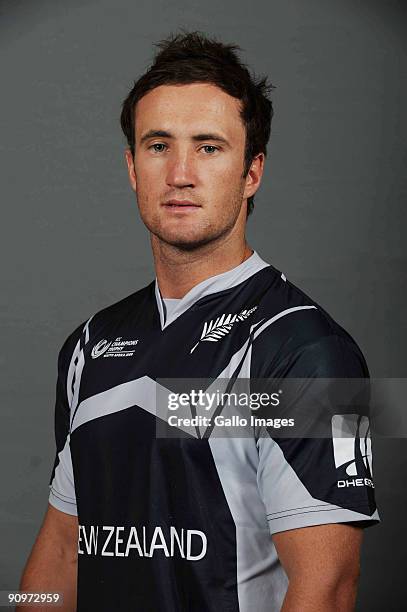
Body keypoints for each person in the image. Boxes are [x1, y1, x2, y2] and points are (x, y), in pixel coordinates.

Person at [19, 31, 379, 612]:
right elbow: (61, 553)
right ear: (132, 167)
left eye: (209, 147)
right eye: (158, 145)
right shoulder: (89, 346)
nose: (180, 173)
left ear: (252, 172)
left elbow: (328, 589)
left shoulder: (305, 350)